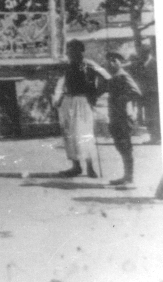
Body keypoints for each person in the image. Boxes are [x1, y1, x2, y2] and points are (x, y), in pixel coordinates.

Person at [52, 39, 107, 178]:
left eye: (72, 50)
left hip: (83, 102)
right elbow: (62, 83)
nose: (69, 53)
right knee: (70, 135)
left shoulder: (90, 64)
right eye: (68, 50)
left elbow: (107, 78)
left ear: (80, 51)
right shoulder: (68, 66)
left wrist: (95, 94)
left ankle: (90, 167)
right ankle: (76, 167)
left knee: (84, 134)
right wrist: (58, 99)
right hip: (68, 101)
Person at [103, 52, 142, 186]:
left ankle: (129, 178)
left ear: (120, 62)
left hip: (123, 117)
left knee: (126, 147)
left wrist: (121, 100)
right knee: (120, 147)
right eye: (108, 60)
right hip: (115, 117)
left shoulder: (123, 76)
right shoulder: (114, 77)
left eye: (114, 60)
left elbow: (136, 92)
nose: (111, 63)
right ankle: (126, 176)